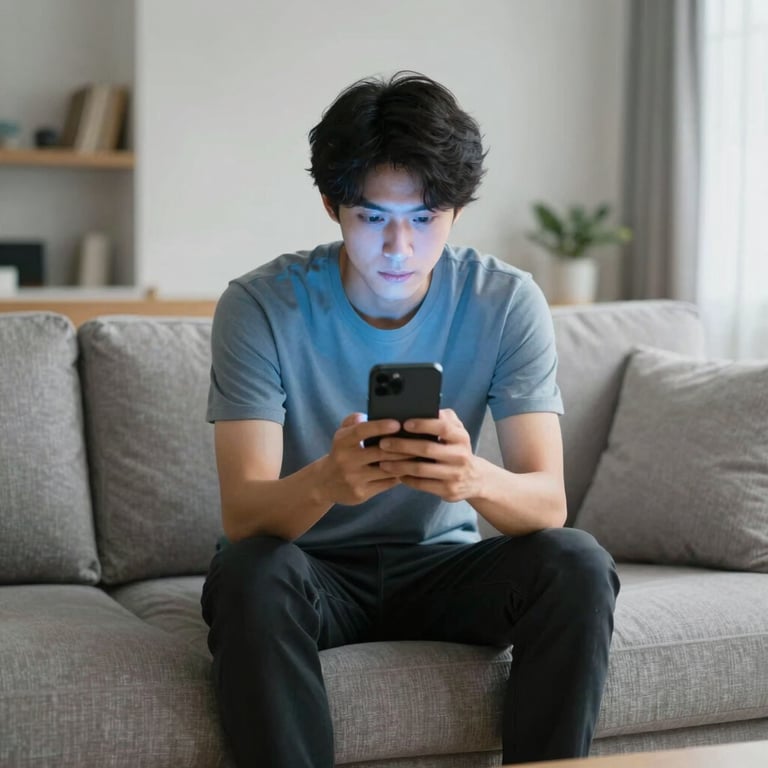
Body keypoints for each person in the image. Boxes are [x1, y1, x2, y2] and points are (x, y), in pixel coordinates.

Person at [201, 70, 620, 767]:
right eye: (373, 217)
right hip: (312, 570)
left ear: (456, 211)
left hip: (443, 571)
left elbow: (550, 503)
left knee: (577, 562)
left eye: (424, 218)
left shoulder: (505, 301)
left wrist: (472, 478)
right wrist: (331, 481)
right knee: (251, 572)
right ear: (333, 206)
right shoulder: (260, 307)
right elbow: (244, 516)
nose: (398, 247)